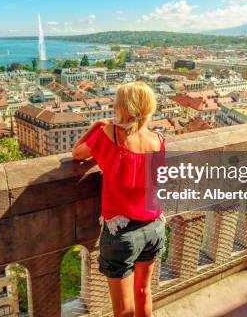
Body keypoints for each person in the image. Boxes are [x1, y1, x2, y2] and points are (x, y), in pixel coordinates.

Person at [72, 81, 166, 317]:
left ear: (123, 107)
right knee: (143, 292)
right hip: (154, 227)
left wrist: (96, 125)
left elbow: (77, 153)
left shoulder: (110, 135)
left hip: (122, 233)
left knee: (123, 311)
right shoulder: (158, 140)